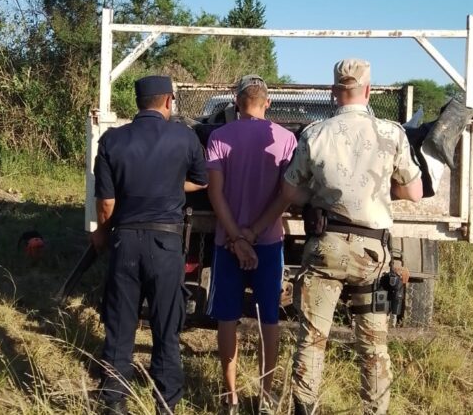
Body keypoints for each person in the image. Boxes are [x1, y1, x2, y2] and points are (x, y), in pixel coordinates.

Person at [249, 59, 423, 414]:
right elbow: (414, 193)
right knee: (373, 345)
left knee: (311, 339)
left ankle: (304, 408)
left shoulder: (315, 134)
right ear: (369, 91)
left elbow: (290, 190)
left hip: (326, 246)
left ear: (333, 92)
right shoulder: (392, 134)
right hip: (372, 254)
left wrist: (317, 197)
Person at [91, 75, 208, 415]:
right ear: (169, 101)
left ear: (139, 102)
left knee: (120, 324)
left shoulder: (113, 140)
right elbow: (201, 181)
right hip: (166, 244)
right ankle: (166, 403)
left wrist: (101, 232)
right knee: (166, 326)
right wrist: (171, 184)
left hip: (125, 240)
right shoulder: (185, 138)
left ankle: (114, 402)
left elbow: (107, 204)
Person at [205, 74, 298, 414]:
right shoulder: (286, 139)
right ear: (267, 103)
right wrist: (255, 234)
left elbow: (214, 191)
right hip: (269, 242)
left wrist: (236, 237)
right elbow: (288, 194)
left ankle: (230, 397)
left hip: (226, 243)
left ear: (236, 103)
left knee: (227, 319)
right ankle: (266, 396)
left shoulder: (219, 136)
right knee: (268, 320)